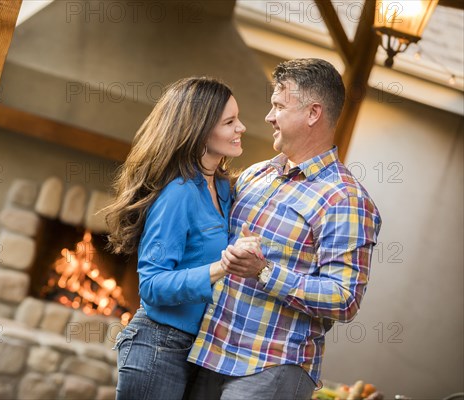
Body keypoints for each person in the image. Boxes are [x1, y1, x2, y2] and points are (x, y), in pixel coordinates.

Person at [187, 58, 382, 399]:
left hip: (272, 367)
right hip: (208, 354)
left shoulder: (346, 200)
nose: (268, 116)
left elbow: (345, 297)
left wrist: (265, 272)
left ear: (312, 114)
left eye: (278, 105)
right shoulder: (255, 175)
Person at [105, 77, 254, 400]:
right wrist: (221, 268)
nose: (241, 127)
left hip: (200, 350)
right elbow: (152, 285)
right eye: (229, 122)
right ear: (200, 130)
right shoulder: (179, 194)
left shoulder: (224, 190)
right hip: (158, 347)